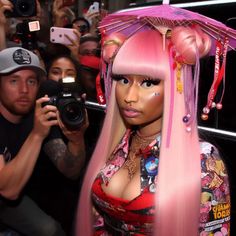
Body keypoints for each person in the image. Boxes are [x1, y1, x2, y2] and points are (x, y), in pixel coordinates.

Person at [76, 21, 231, 236]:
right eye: (122, 79)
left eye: (148, 83)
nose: (129, 97)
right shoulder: (114, 144)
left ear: (174, 86)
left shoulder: (201, 159)